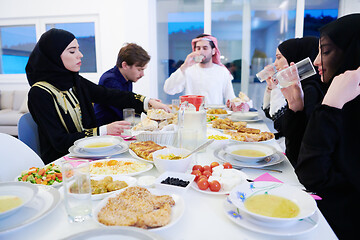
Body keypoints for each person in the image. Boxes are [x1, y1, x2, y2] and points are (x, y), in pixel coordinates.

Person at [26, 28, 169, 164]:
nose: (80, 55)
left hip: (90, 153)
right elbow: (59, 142)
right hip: (63, 162)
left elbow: (109, 95)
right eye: (72, 51)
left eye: (78, 49)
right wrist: (104, 130)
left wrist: (148, 102)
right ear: (54, 55)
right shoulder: (39, 93)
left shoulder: (75, 81)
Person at [281, 14, 360, 239]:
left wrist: (330, 108)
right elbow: (298, 160)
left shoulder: (334, 99)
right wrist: (295, 106)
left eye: (324, 52)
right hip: (321, 216)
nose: (316, 61)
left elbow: (312, 176)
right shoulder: (338, 96)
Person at [262, 37, 326, 165]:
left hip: (300, 164)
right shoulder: (298, 85)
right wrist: (271, 88)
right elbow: (270, 114)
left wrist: (276, 91)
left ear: (294, 58)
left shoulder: (310, 90)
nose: (275, 63)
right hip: (293, 158)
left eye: (279, 57)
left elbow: (281, 125)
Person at [163, 34, 236, 105]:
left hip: (215, 115)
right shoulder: (187, 70)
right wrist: (185, 66)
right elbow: (169, 89)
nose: (201, 51)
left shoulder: (222, 71)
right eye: (198, 48)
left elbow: (230, 98)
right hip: (191, 115)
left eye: (205, 48)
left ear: (213, 51)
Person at [94, 43, 151, 125]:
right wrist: (149, 115)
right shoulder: (110, 81)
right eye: (139, 70)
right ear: (125, 65)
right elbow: (126, 114)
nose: (142, 74)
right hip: (108, 132)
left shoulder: (128, 78)